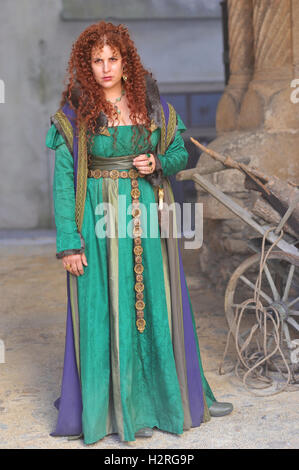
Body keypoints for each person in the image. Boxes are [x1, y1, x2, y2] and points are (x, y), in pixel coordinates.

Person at [45, 21, 233, 445]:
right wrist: (68, 243)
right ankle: (122, 410)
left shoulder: (152, 105)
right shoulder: (74, 115)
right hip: (97, 222)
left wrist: (158, 161)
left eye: (113, 58)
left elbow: (180, 151)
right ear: (86, 66)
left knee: (158, 305)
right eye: (97, 60)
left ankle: (180, 397)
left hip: (149, 218)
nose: (106, 67)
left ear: (126, 61)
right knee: (107, 309)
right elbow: (62, 183)